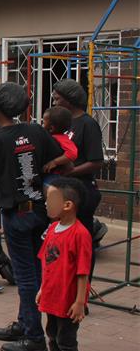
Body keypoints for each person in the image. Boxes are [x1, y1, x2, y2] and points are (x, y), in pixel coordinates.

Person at [0, 82, 65, 351]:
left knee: (26, 276)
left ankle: (34, 338)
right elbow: (58, 159)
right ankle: (25, 323)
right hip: (40, 211)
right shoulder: (36, 131)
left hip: (16, 214)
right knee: (35, 270)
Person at [31, 177, 92, 351]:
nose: (47, 204)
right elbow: (47, 263)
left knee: (66, 341)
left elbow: (83, 272)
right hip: (52, 296)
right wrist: (42, 289)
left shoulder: (80, 234)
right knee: (52, 335)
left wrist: (79, 302)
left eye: (51, 199)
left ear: (67, 205)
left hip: (68, 300)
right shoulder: (54, 228)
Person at [52, 78, 106, 260]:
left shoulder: (87, 124)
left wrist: (70, 172)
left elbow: (96, 161)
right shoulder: (62, 123)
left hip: (82, 190)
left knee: (80, 242)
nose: (54, 102)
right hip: (64, 189)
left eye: (57, 99)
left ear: (69, 99)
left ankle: (82, 282)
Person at [41, 106, 78, 180]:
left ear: (51, 128)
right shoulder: (49, 137)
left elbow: (72, 153)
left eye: (43, 123)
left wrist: (54, 162)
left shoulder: (61, 138)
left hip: (54, 176)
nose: (41, 125)